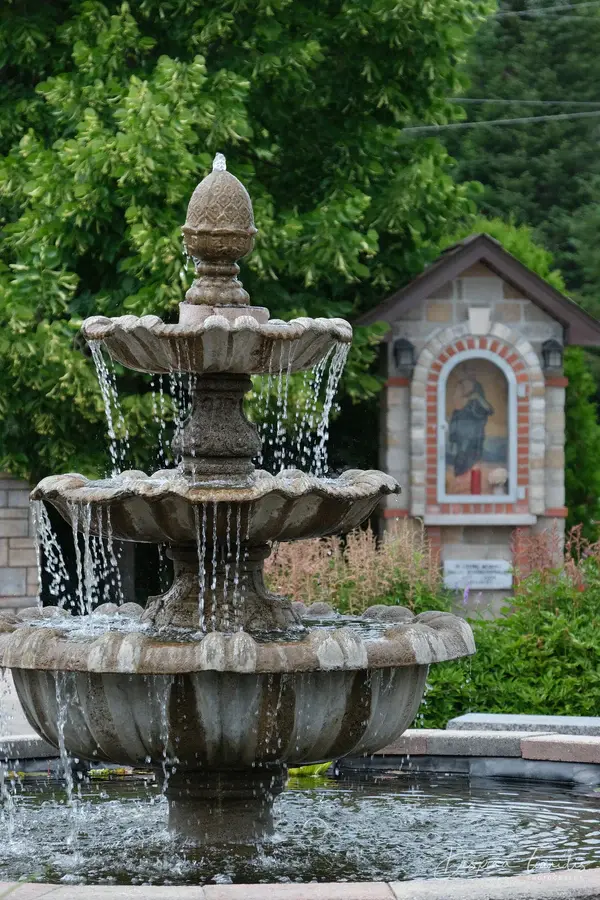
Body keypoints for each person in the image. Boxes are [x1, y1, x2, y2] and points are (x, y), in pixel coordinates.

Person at [448, 369, 494, 477]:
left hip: (473, 445)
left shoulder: (476, 409)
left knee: (470, 463)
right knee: (461, 461)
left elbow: (489, 410)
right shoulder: (458, 413)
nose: (455, 396)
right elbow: (453, 431)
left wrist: (478, 397)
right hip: (461, 446)